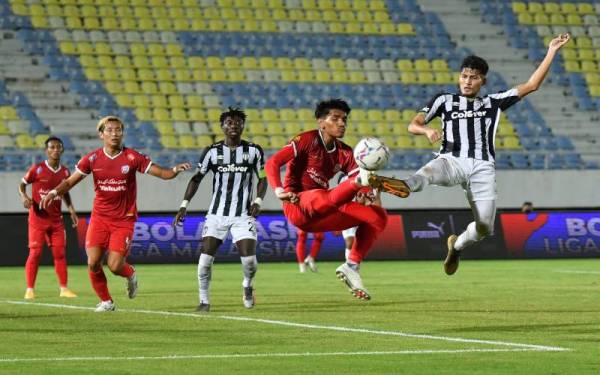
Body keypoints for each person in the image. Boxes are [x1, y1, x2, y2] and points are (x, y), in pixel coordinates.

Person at [402, 33, 570, 275]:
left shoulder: (493, 103)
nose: (467, 81)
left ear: (483, 81)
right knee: (426, 173)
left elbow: (532, 85)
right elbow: (413, 124)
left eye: (474, 77)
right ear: (459, 78)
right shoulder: (444, 100)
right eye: (464, 76)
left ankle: (456, 246)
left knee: (484, 227)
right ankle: (403, 185)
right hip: (451, 160)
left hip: (482, 167)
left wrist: (552, 50)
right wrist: (426, 130)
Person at [40, 116, 191, 312]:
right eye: (110, 130)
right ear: (101, 134)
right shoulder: (92, 159)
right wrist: (53, 192)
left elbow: (161, 173)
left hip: (124, 220)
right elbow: (69, 182)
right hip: (100, 219)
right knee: (93, 262)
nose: (114, 134)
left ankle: (130, 274)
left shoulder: (132, 157)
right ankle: (107, 302)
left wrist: (174, 170)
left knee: (114, 265)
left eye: (118, 130)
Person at [265, 98, 403, 300]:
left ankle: (352, 266)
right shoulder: (306, 140)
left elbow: (362, 191)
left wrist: (368, 194)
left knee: (378, 217)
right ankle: (359, 180)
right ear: (321, 122)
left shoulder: (346, 153)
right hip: (297, 205)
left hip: (323, 209)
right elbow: (273, 162)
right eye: (335, 118)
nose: (341, 123)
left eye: (344, 119)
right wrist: (278, 190)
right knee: (325, 195)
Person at [172, 107, 267, 312]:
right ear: (222, 126)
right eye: (229, 123)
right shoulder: (212, 152)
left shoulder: (254, 150)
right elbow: (197, 178)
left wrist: (258, 200)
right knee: (205, 260)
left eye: (238, 122)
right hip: (216, 215)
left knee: (249, 261)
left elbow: (262, 178)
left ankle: (247, 285)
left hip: (243, 215)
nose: (233, 126)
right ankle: (204, 301)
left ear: (243, 126)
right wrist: (183, 205)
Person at [19, 136, 78, 300]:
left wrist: (71, 209)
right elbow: (22, 184)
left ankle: (64, 289)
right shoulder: (37, 169)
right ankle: (30, 289)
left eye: (58, 147)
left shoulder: (65, 171)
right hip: (37, 219)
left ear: (62, 150)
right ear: (46, 150)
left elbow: (64, 191)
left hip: (56, 221)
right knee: (35, 253)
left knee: (60, 254)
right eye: (52, 147)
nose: (55, 150)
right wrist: (24, 197)